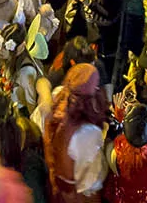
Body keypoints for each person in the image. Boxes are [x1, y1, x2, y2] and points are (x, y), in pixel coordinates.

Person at [43, 62, 108, 203]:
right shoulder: (87, 134)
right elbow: (90, 184)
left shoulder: (59, 97)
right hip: (76, 196)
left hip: (56, 185)